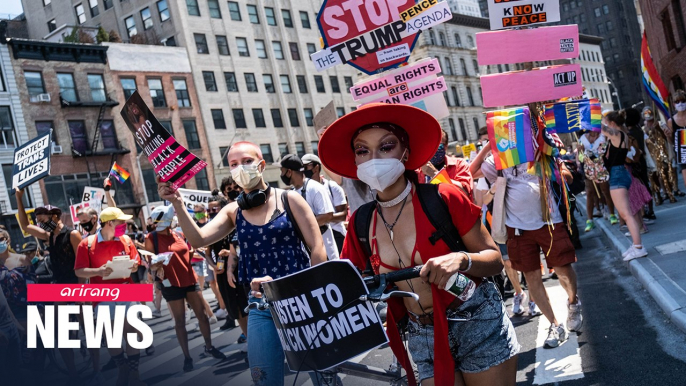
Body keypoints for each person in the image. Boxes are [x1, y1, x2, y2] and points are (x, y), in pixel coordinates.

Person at [320, 103, 518, 386]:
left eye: (386, 147)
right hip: (422, 334)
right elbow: (340, 284)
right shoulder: (361, 223)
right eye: (363, 150)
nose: (374, 158)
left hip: (476, 320)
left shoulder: (445, 197)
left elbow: (494, 260)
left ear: (406, 153)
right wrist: (277, 289)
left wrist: (461, 260)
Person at [157, 141, 327, 386]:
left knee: (323, 376)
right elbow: (198, 239)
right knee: (264, 379)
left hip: (299, 301)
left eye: (246, 161)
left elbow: (317, 248)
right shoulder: (232, 211)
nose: (240, 168)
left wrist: (307, 289)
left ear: (261, 164)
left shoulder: (290, 199)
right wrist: (178, 203)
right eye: (233, 164)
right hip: (260, 306)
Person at [473, 139, 584, 348]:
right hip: (517, 229)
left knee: (563, 270)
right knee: (531, 276)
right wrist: (490, 145)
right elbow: (473, 170)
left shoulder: (539, 150)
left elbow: (567, 177)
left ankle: (573, 302)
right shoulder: (497, 159)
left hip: (549, 222)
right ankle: (555, 325)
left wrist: (554, 167)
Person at [145, 205, 226, 372]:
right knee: (180, 322)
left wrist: (195, 253)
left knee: (202, 316)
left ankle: (209, 347)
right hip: (170, 283)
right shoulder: (151, 238)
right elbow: (150, 263)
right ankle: (187, 357)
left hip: (189, 279)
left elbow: (186, 254)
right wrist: (156, 264)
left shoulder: (179, 233)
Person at [15, 190, 83, 381]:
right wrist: (19, 198)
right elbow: (25, 225)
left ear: (54, 216)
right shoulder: (49, 236)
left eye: (42, 219)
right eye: (38, 220)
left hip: (76, 287)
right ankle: (73, 374)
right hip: (59, 288)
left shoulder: (73, 234)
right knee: (60, 335)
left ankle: (96, 369)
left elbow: (82, 264)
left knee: (89, 330)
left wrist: (81, 294)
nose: (39, 223)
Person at [73, 207, 145, 386]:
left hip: (127, 290)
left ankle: (134, 374)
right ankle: (123, 369)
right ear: (110, 223)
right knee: (113, 336)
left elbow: (136, 263)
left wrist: (133, 266)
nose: (124, 225)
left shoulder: (126, 240)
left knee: (132, 332)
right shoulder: (87, 244)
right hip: (102, 295)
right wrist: (98, 271)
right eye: (121, 222)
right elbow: (79, 271)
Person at [603, 111, 648, 261]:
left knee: (626, 214)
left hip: (618, 175)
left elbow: (598, 128)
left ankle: (638, 247)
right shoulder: (619, 135)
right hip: (619, 173)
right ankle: (636, 245)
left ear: (613, 124)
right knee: (626, 213)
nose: (605, 125)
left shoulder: (617, 135)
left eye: (606, 122)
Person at [279, 154, 340, 260]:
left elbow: (327, 215)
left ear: (289, 172)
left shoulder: (315, 188)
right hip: (306, 252)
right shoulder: (291, 193)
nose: (281, 174)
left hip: (326, 250)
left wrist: (301, 225)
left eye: (282, 171)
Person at [208, 187, 248, 335]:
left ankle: (255, 337)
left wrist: (231, 252)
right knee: (235, 308)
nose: (212, 212)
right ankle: (248, 338)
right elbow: (206, 252)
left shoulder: (233, 223)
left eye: (215, 209)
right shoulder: (210, 228)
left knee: (247, 305)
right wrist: (213, 266)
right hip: (222, 273)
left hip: (239, 269)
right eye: (209, 210)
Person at [317, 127, 375, 213]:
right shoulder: (349, 179)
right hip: (361, 225)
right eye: (359, 152)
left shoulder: (383, 172)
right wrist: (322, 140)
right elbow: (327, 166)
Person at [302, 153, 348, 252]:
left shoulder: (332, 187)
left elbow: (343, 215)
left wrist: (325, 217)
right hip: (317, 237)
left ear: (316, 168)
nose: (303, 170)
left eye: (306, 167)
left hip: (337, 235)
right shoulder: (303, 191)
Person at [577, 129, 617, 230]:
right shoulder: (582, 138)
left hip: (601, 168)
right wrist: (580, 151)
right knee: (590, 193)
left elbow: (604, 152)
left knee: (605, 191)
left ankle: (612, 214)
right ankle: (590, 220)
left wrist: (592, 156)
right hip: (589, 169)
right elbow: (581, 158)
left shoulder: (603, 136)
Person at [193, 203, 227, 321]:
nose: (198, 214)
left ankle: (222, 308)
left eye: (200, 211)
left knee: (215, 284)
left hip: (214, 257)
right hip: (204, 258)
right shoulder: (196, 226)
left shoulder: (211, 223)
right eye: (196, 212)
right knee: (212, 284)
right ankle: (219, 308)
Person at [418, 129, 474, 196]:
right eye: (431, 144)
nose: (435, 148)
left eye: (439, 144)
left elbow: (465, 193)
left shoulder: (459, 164)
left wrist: (435, 174)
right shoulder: (417, 171)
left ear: (446, 146)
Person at [644, 107, 677, 204]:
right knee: (656, 176)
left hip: (664, 153)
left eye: (649, 112)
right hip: (652, 156)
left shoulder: (661, 124)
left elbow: (667, 137)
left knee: (667, 172)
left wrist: (658, 128)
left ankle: (670, 192)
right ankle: (660, 195)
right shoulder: (644, 129)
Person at [666, 89, 686, 195]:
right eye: (677, 102)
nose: (680, 104)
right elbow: (672, 141)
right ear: (673, 104)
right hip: (683, 154)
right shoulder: (671, 121)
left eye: (683, 101)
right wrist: (668, 135)